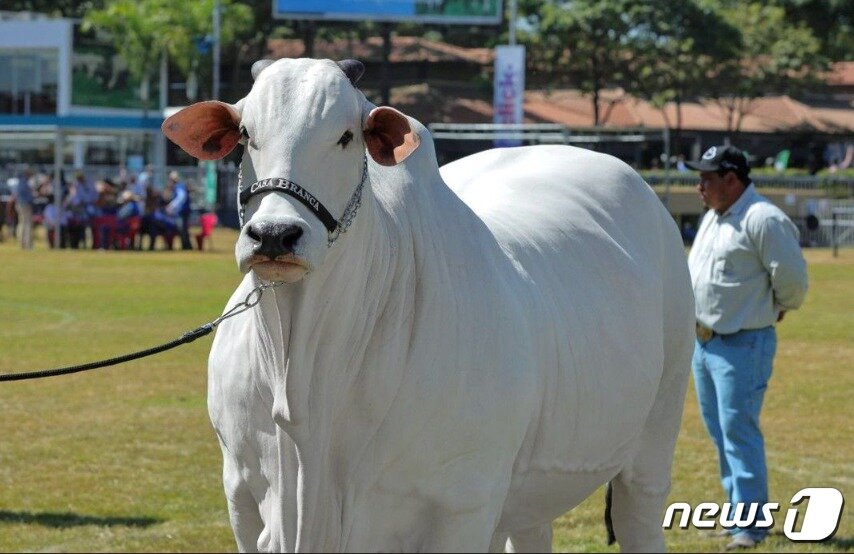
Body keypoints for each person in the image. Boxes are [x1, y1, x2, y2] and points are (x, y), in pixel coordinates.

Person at [685, 145, 809, 550]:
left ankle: (751, 525)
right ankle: (738, 513)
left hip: (742, 343)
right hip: (704, 344)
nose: (699, 186)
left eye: (707, 178)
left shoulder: (763, 219)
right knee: (721, 432)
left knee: (738, 431)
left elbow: (793, 281)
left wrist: (779, 306)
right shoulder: (714, 216)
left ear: (731, 180)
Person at [165, 170, 192, 250]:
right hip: (183, 211)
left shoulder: (178, 187)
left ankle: (186, 246)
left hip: (182, 212)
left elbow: (180, 198)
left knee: (182, 229)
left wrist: (171, 206)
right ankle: (187, 246)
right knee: (184, 229)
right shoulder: (179, 186)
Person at [11, 170, 35, 249]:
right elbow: (29, 197)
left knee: (22, 223)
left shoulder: (19, 182)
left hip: (19, 204)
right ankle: (27, 244)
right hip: (25, 205)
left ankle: (22, 243)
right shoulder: (24, 182)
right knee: (27, 224)